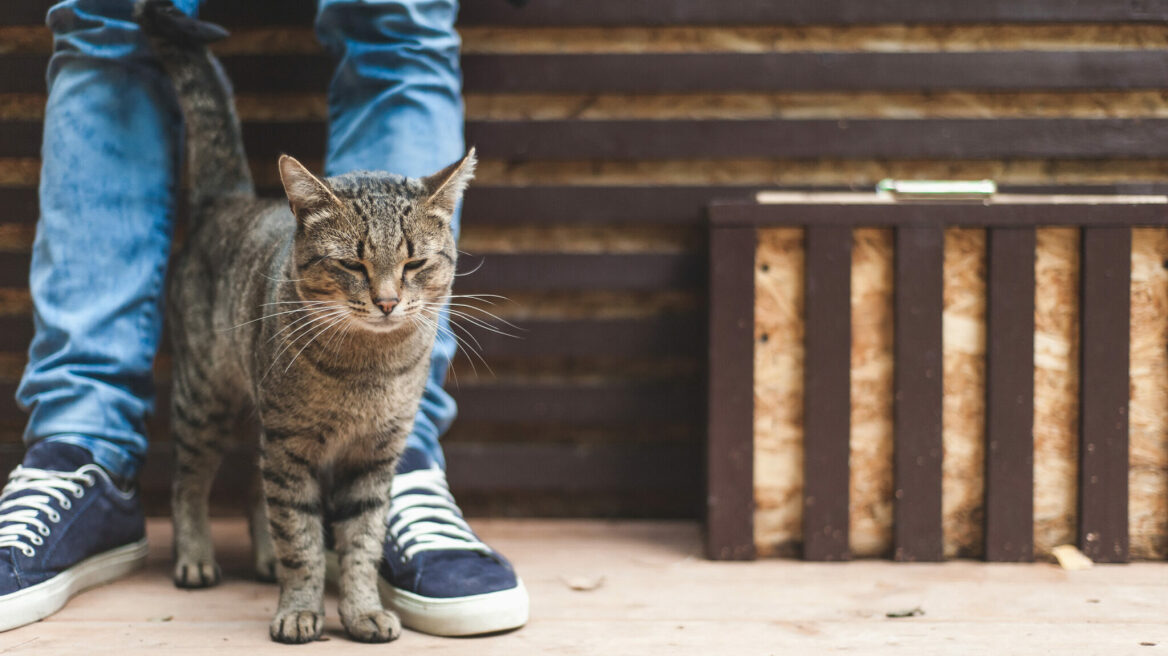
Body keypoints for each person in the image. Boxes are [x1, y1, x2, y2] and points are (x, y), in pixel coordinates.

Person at [0, 0, 528, 637]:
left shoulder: (416, 263)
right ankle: (92, 455)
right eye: (358, 270)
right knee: (216, 426)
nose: (389, 297)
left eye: (414, 269)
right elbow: (285, 459)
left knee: (400, 17)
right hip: (230, 281)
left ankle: (403, 481)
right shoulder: (296, 310)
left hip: (367, 351)